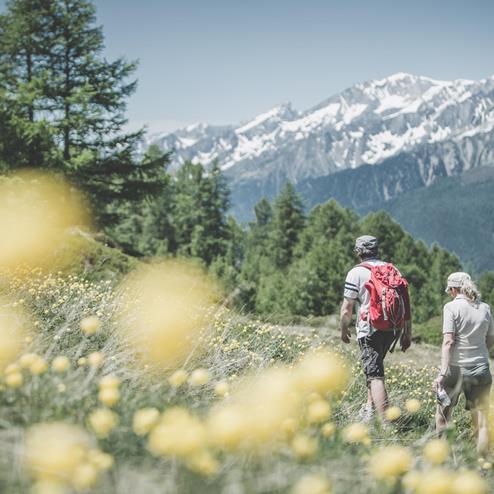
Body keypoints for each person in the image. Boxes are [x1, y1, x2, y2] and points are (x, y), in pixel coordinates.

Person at [339, 235, 412, 421]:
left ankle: (386, 424)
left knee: (375, 375)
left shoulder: (356, 273)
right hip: (392, 328)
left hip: (369, 327)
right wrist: (407, 332)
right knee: (374, 367)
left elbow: (347, 308)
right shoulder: (392, 269)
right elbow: (405, 301)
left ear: (359, 252)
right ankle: (369, 410)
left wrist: (343, 328)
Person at [433, 272, 494, 454]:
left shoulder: (451, 307)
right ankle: (482, 465)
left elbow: (449, 342)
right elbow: (490, 340)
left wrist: (442, 372)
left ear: (453, 289)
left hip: (455, 369)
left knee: (443, 415)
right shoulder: (485, 308)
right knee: (482, 421)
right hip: (481, 367)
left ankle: (443, 459)